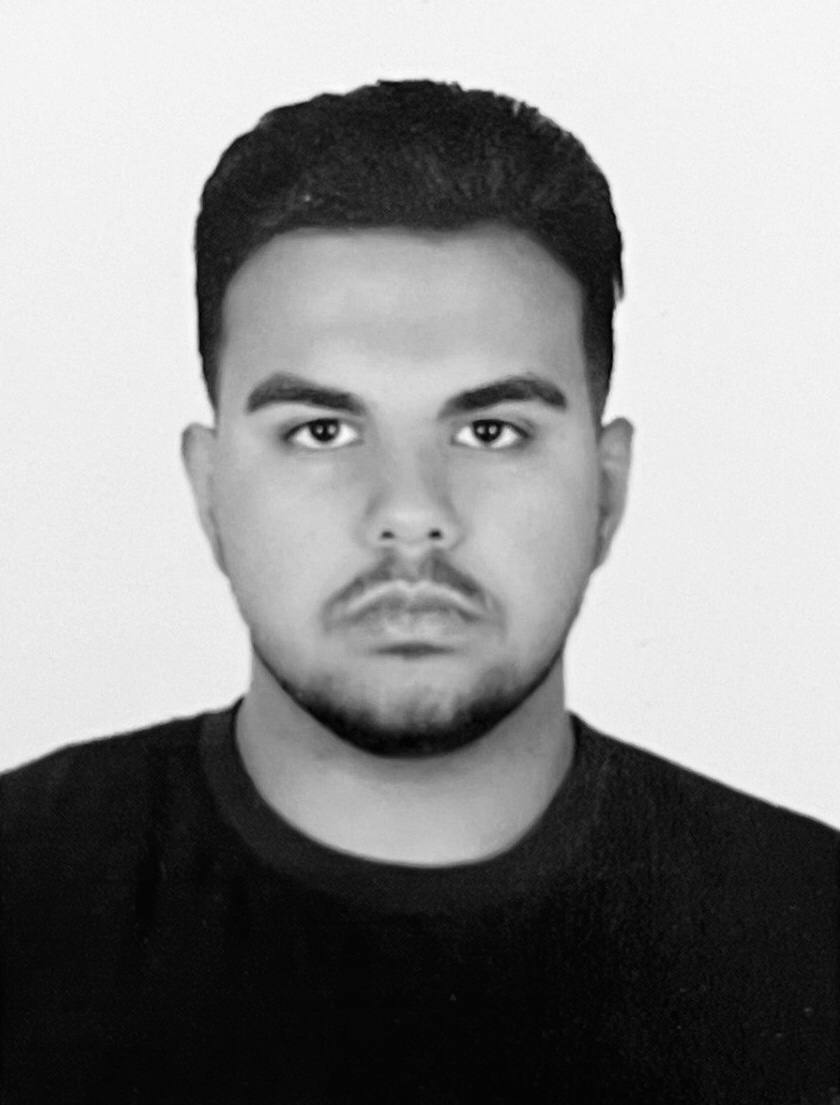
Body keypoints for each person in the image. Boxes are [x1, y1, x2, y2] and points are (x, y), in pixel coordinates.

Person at [1, 79, 837, 1104]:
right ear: (210, 490)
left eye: (491, 431)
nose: (409, 512)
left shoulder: (812, 937)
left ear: (607, 489)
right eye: (322, 431)